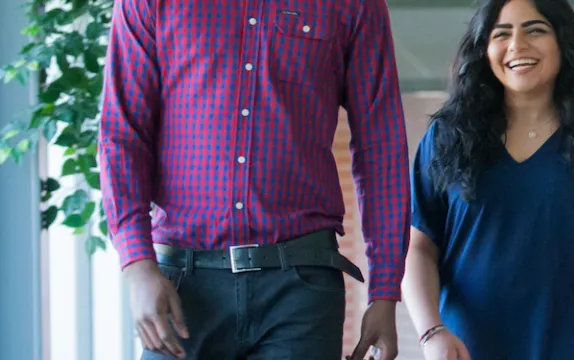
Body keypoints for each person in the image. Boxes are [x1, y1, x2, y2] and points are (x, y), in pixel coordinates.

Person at [98, 0, 409, 359]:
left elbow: (381, 149)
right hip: (182, 285)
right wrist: (137, 266)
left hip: (300, 292)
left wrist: (384, 293)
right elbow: (122, 134)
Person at [399, 0, 574, 358]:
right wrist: (431, 332)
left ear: (564, 43)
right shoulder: (447, 139)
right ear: (485, 49)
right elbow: (418, 247)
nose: (517, 45)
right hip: (470, 348)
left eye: (535, 30)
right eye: (501, 34)